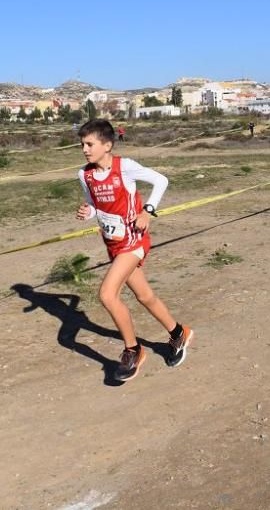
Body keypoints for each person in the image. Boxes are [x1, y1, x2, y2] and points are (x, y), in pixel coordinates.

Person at [76, 119, 193, 382]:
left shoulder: (124, 167)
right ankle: (178, 333)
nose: (84, 149)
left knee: (107, 295)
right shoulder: (84, 175)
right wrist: (88, 212)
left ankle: (133, 350)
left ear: (107, 145)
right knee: (145, 296)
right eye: (82, 144)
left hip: (134, 241)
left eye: (89, 144)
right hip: (113, 244)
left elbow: (160, 181)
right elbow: (95, 205)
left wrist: (147, 211)